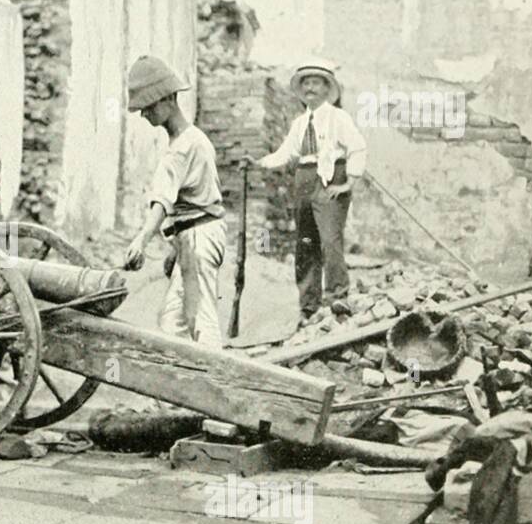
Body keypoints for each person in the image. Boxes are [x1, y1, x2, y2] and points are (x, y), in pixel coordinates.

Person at [245, 58, 367, 322]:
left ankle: (338, 298)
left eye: (316, 83)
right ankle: (308, 304)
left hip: (331, 178)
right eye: (307, 83)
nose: (310, 88)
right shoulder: (300, 123)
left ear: (327, 89)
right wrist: (259, 163)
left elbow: (358, 147)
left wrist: (348, 181)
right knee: (305, 241)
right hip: (304, 179)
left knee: (330, 240)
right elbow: (285, 153)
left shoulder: (338, 118)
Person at [122, 55, 226, 348]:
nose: (144, 115)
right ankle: (173, 393)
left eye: (148, 107)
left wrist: (141, 240)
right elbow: (190, 202)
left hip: (199, 236)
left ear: (168, 99)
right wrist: (177, 247)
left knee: (201, 322)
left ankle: (214, 388)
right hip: (196, 234)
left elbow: (163, 202)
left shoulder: (182, 148)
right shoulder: (194, 139)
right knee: (173, 322)